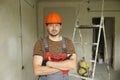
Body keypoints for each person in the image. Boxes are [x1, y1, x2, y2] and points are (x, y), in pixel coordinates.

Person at [33, 12, 77, 80]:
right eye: (51, 25)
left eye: (56, 25)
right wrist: (63, 65)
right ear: (47, 26)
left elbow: (72, 65)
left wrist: (48, 63)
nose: (54, 28)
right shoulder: (40, 43)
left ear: (60, 26)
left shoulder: (68, 42)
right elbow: (37, 71)